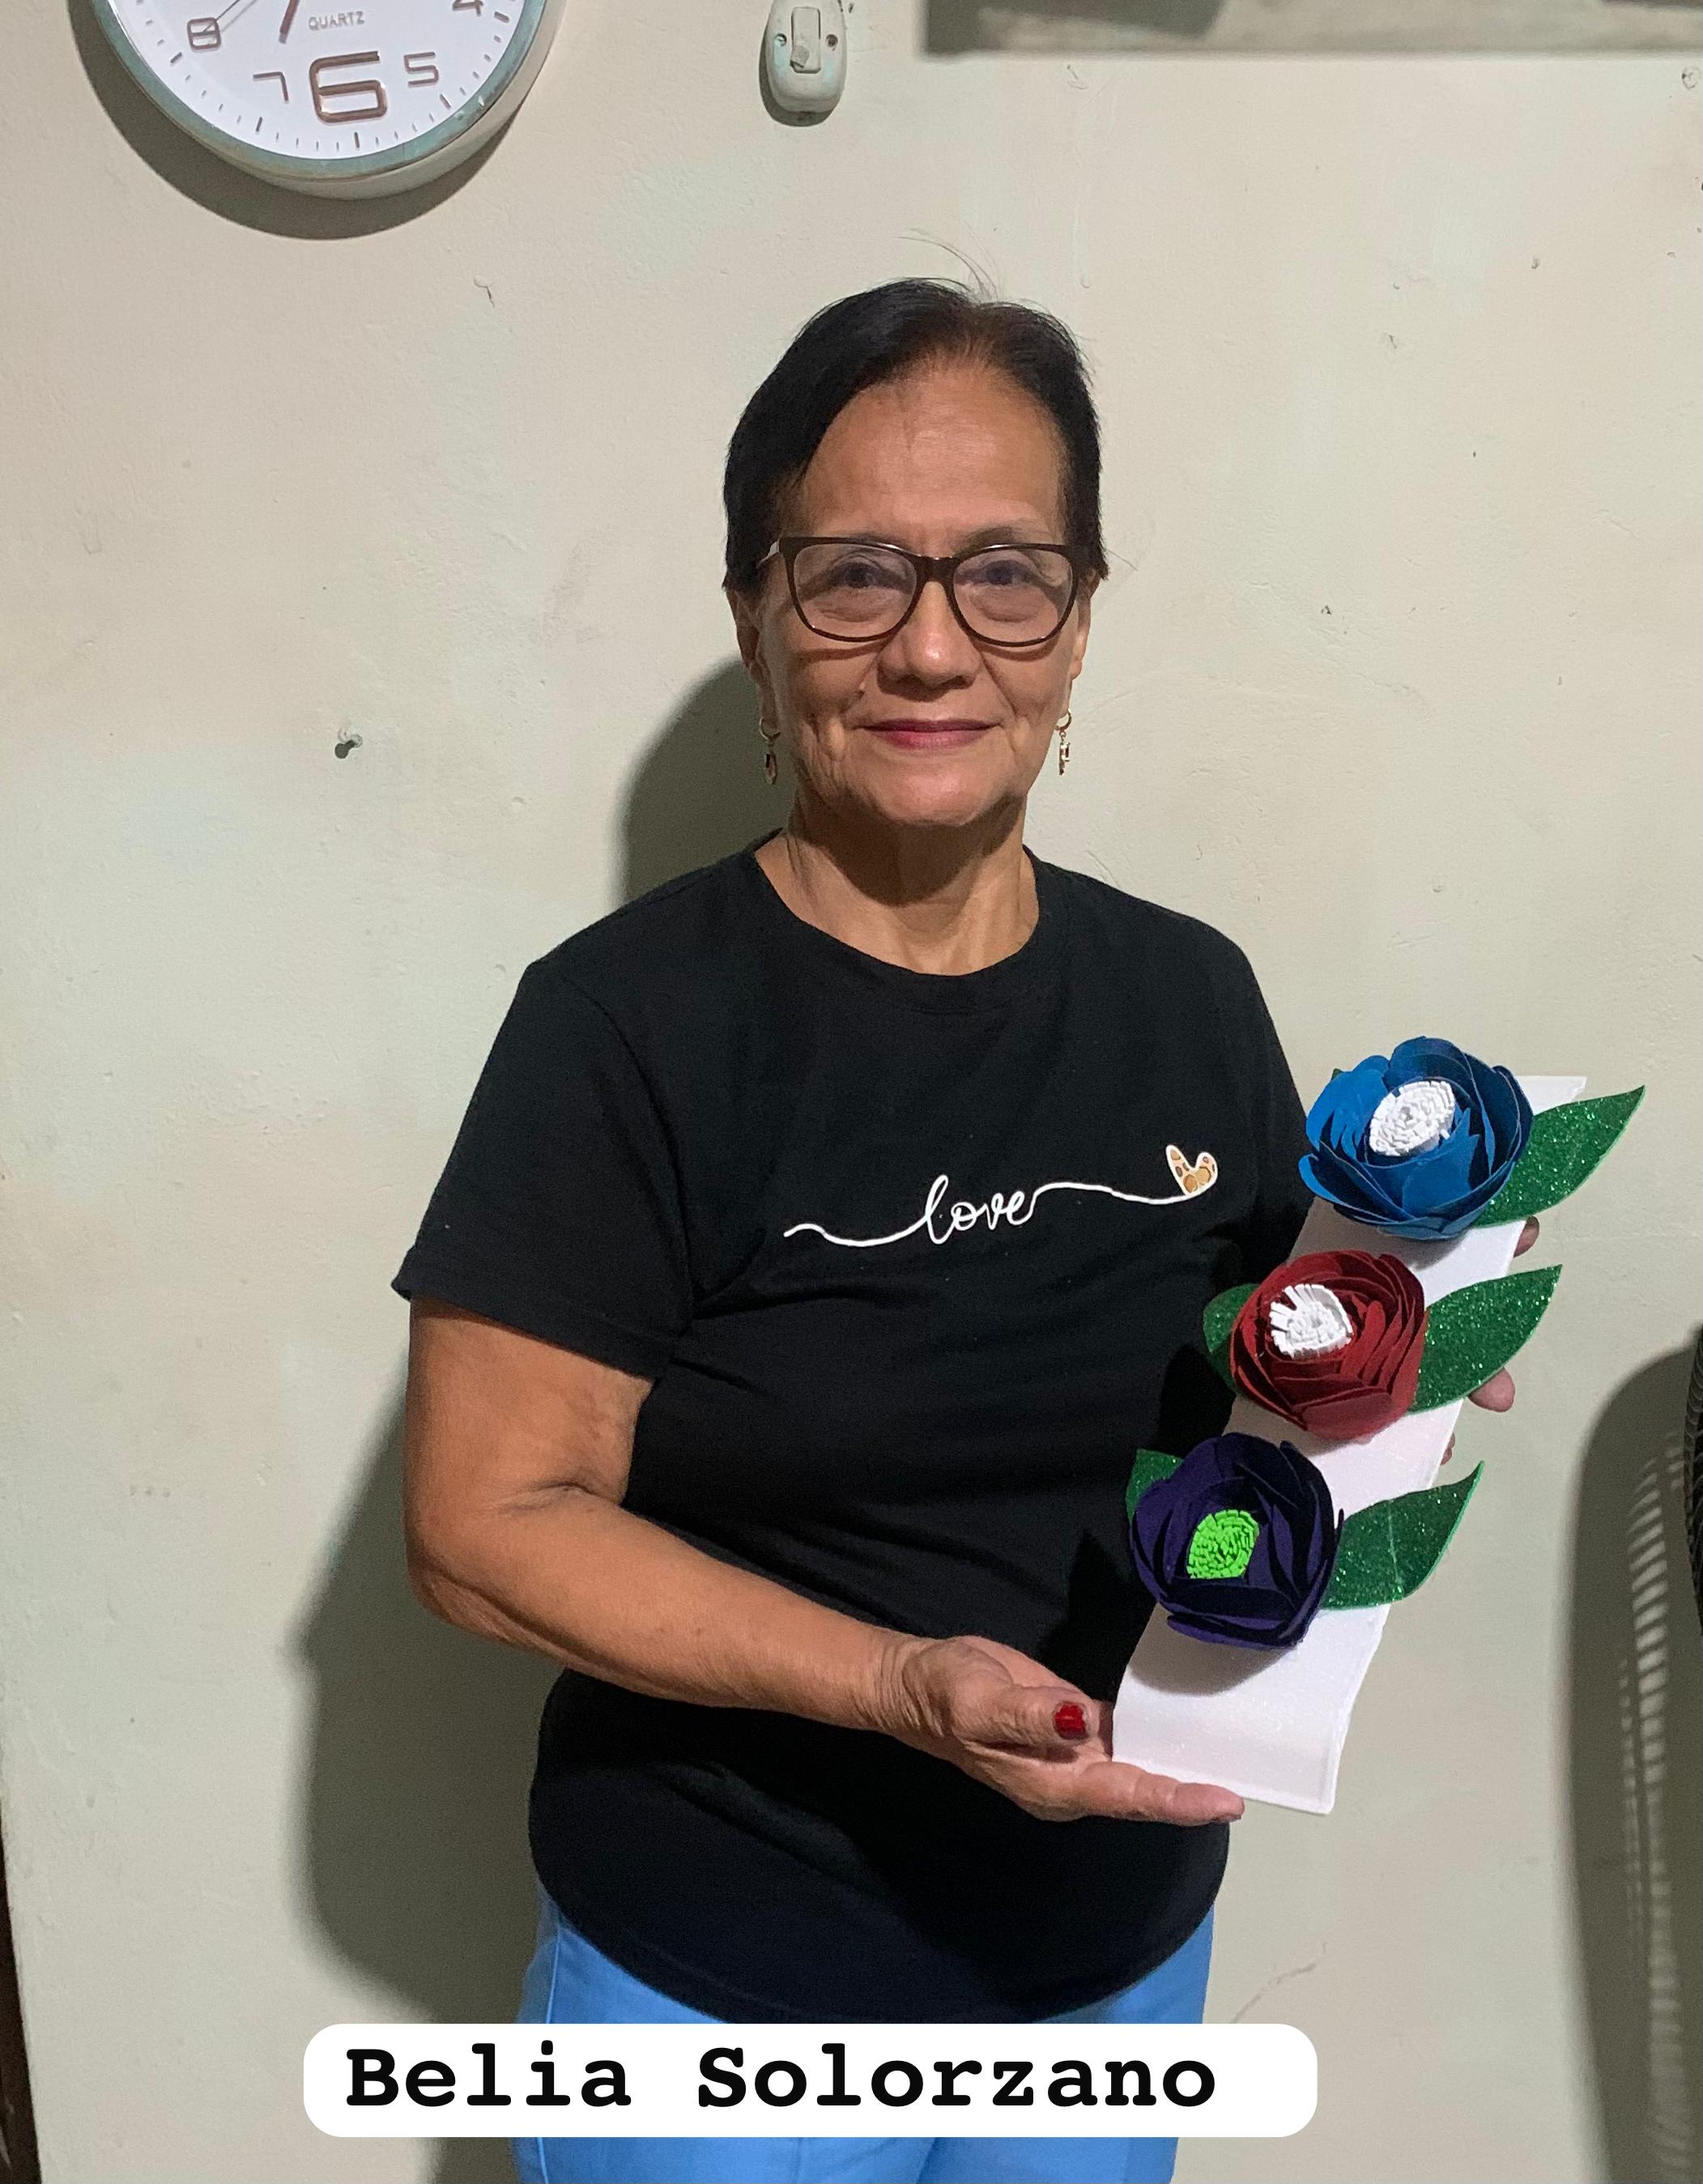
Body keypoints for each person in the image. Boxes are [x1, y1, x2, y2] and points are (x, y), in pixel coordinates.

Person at [394, 279, 1526, 2184]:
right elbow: (482, 1529)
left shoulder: (1183, 991)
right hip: (724, 1992)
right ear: (754, 612)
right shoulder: (623, 1026)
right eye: (854, 573)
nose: (931, 645)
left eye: (1004, 573)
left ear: (1076, 618)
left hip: (1111, 1957)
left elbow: (1249, 1384)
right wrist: (894, 1681)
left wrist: (1393, 1343)